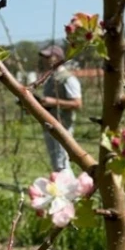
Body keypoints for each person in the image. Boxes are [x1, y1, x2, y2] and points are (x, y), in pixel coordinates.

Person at [35, 45, 82, 173]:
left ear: (58, 58)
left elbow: (77, 103)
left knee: (62, 163)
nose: (45, 60)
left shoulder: (68, 78)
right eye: (44, 57)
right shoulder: (50, 77)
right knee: (56, 162)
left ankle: (69, 191)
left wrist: (52, 102)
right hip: (50, 125)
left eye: (48, 57)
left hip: (63, 126)